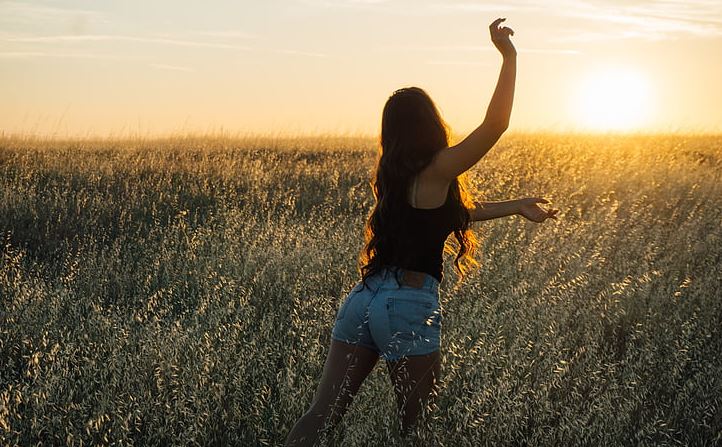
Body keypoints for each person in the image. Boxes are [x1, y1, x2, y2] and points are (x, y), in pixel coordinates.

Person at [285, 18, 558, 446]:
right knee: (420, 431)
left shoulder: (394, 175)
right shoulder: (438, 167)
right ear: (430, 122)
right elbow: (495, 125)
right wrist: (509, 57)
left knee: (320, 415)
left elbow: (447, 214)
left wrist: (515, 206)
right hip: (407, 303)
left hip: (363, 299)